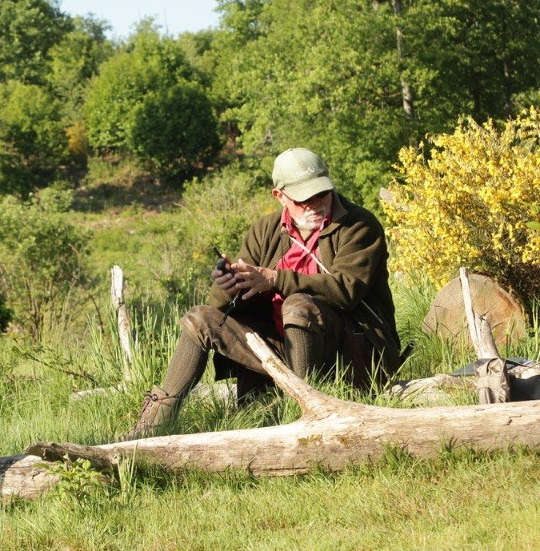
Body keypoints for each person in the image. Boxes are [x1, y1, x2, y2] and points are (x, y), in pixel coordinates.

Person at [124, 147, 403, 440]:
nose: (314, 204)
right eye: (302, 199)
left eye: (320, 194)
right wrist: (229, 284)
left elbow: (345, 292)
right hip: (282, 347)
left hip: (348, 351)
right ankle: (150, 429)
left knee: (298, 306)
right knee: (199, 318)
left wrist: (274, 278)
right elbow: (225, 308)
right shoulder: (264, 230)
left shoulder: (359, 226)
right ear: (279, 196)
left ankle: (307, 423)